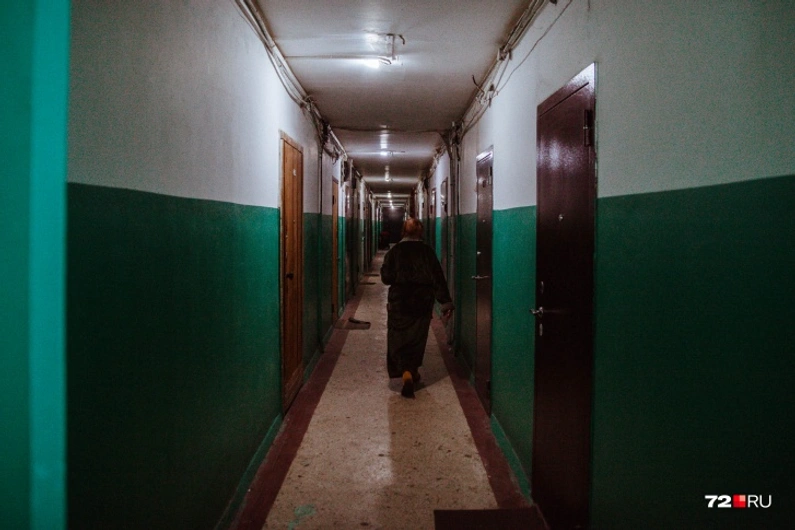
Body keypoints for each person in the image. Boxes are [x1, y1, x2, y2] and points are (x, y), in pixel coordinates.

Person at [380, 218, 454, 398]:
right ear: (420, 232)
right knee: (417, 337)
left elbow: (386, 278)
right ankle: (411, 370)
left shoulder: (394, 252)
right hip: (422, 301)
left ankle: (404, 371)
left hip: (399, 302)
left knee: (398, 336)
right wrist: (445, 302)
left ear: (403, 232)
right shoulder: (427, 252)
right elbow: (437, 278)